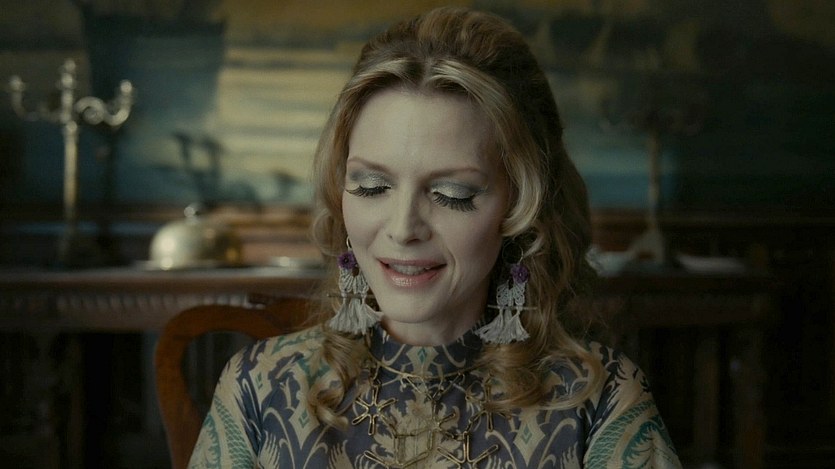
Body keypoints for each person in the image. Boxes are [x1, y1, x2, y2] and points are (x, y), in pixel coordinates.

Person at [189, 6, 681, 468]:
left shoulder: (600, 401)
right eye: (372, 186)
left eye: (452, 194)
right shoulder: (258, 388)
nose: (403, 229)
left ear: (520, 207)